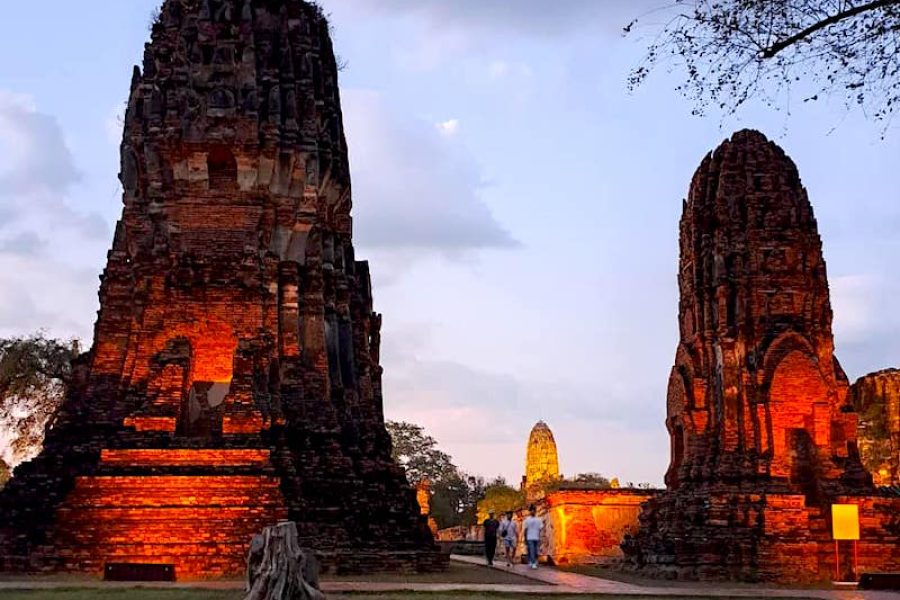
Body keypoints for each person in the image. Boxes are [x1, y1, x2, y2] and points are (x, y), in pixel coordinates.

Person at [523, 505, 543, 569]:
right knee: (531, 550)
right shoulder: (527, 519)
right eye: (531, 510)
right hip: (529, 537)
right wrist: (525, 538)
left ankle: (533, 561)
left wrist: (540, 537)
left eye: (534, 510)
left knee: (536, 551)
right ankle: (533, 563)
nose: (532, 511)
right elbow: (525, 529)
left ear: (535, 511)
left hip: (536, 537)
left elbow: (540, 529)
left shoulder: (539, 519)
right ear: (530, 511)